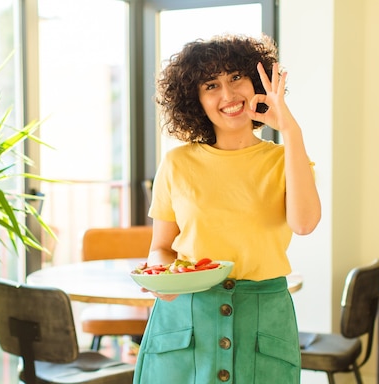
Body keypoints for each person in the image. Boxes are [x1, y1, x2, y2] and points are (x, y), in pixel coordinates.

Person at [133, 33, 321, 383]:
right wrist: (162, 278)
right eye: (211, 85)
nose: (228, 95)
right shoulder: (176, 163)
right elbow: (160, 247)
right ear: (196, 101)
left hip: (263, 316)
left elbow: (305, 223)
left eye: (236, 77)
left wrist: (291, 130)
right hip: (187, 317)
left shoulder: (286, 158)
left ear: (256, 82)